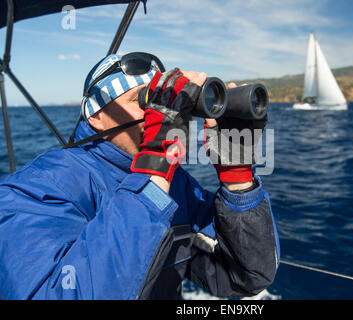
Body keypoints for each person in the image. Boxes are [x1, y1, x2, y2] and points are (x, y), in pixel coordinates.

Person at [0, 52, 280, 300]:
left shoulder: (174, 184)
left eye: (161, 101)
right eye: (144, 100)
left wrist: (237, 175)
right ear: (96, 116)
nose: (155, 112)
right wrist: (155, 166)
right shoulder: (38, 186)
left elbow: (246, 277)